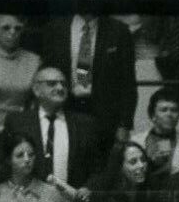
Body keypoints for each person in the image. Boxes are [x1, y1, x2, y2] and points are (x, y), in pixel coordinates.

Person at [37, 10, 138, 148]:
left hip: (105, 115)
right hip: (65, 109)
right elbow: (46, 73)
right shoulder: (55, 29)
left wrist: (125, 125)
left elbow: (128, 82)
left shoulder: (119, 31)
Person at [1, 65, 107, 196]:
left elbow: (99, 169)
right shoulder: (17, 122)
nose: (60, 88)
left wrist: (88, 188)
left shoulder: (85, 124)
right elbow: (2, 165)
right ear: (36, 89)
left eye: (64, 84)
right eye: (52, 84)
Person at [0, 13, 41, 142]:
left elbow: (35, 102)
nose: (12, 32)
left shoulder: (35, 61)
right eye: (6, 28)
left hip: (21, 129)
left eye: (17, 28)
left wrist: (25, 132)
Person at [130, 87, 179, 181]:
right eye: (164, 110)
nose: (169, 114)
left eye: (174, 110)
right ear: (152, 115)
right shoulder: (135, 141)